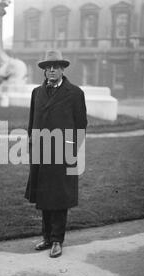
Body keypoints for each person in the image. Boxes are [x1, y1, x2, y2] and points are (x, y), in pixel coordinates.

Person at [25, 50, 88, 258]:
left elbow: (81, 126)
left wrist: (71, 151)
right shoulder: (37, 92)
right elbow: (31, 123)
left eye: (55, 67)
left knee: (59, 198)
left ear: (63, 69)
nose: (51, 70)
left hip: (63, 153)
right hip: (41, 153)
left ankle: (57, 241)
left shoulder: (75, 93)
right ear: (44, 70)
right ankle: (46, 237)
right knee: (44, 196)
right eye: (47, 67)